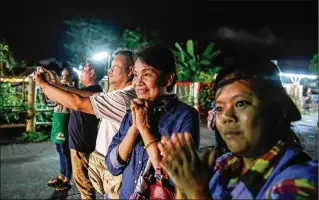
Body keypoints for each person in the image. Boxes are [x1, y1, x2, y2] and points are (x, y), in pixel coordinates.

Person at [158, 55, 318, 199]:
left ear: (278, 110)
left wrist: (197, 191)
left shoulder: (299, 182)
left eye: (241, 103)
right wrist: (183, 186)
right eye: (220, 108)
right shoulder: (225, 165)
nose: (227, 117)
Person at [105, 44, 201, 199]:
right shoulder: (133, 113)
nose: (138, 82)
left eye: (147, 74)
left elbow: (174, 176)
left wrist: (144, 129)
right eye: (136, 75)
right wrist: (134, 128)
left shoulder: (185, 116)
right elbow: (113, 166)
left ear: (168, 79)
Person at [34, 60, 104, 200]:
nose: (81, 72)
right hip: (80, 142)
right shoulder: (87, 91)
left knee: (84, 184)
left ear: (92, 73)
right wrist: (53, 81)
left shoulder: (92, 91)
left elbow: (63, 95)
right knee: (83, 183)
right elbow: (62, 91)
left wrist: (44, 84)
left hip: (81, 144)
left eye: (84, 69)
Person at [47, 67, 75, 192]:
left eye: (66, 75)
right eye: (62, 75)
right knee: (59, 149)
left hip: (65, 119)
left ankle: (67, 179)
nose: (63, 77)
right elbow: (52, 98)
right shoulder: (60, 87)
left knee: (65, 151)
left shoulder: (71, 89)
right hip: (58, 119)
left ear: (71, 77)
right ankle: (61, 175)